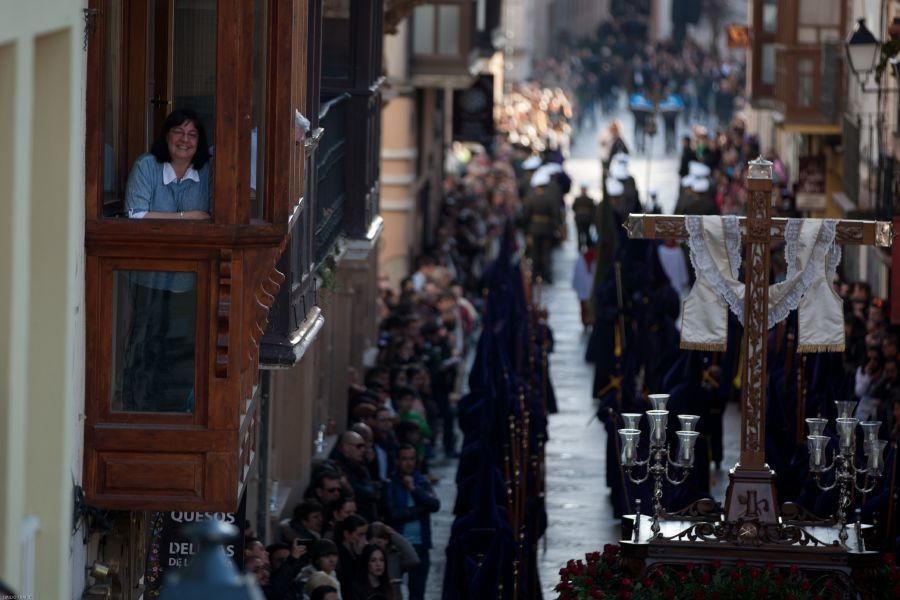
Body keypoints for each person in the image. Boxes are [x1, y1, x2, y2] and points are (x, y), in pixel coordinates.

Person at [118, 109, 213, 413]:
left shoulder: (208, 172)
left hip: (190, 278)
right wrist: (188, 218)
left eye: (192, 134)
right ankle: (134, 402)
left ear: (200, 142)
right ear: (166, 135)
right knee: (144, 338)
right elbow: (135, 216)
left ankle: (170, 406)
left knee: (180, 346)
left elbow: (212, 217)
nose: (184, 140)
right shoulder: (147, 166)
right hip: (146, 273)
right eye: (178, 132)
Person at [384, 444, 440, 600]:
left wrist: (414, 489)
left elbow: (434, 505)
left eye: (411, 459)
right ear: (397, 461)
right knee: (394, 592)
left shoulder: (421, 481)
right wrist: (420, 510)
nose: (409, 463)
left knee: (417, 593)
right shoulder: (391, 484)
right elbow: (393, 514)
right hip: (397, 547)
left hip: (421, 546)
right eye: (404, 459)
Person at [523, 170, 561, 283]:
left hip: (534, 228)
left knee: (535, 253)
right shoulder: (549, 199)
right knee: (546, 253)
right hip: (547, 229)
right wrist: (555, 228)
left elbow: (526, 216)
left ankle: (535, 274)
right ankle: (547, 275)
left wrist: (527, 231)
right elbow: (555, 215)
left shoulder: (531, 199)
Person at [336, 514, 369, 589]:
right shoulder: (339, 555)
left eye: (365, 535)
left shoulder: (361, 552)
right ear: (347, 534)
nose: (364, 541)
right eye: (360, 535)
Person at [571, 184, 596, 249]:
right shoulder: (589, 200)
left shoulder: (587, 199)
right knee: (581, 234)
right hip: (582, 219)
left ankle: (586, 247)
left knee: (586, 233)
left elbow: (573, 208)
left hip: (585, 219)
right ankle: (582, 247)